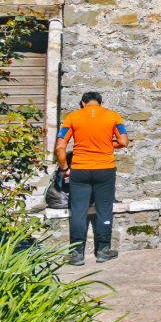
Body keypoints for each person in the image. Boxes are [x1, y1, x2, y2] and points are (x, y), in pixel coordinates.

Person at [54, 92, 129, 266]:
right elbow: (124, 141)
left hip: (80, 170)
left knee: (78, 211)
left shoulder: (72, 117)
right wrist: (106, 144)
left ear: (82, 103)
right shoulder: (113, 116)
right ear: (101, 103)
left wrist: (65, 169)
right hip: (105, 170)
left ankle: (76, 255)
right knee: (104, 209)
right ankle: (103, 251)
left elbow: (60, 147)